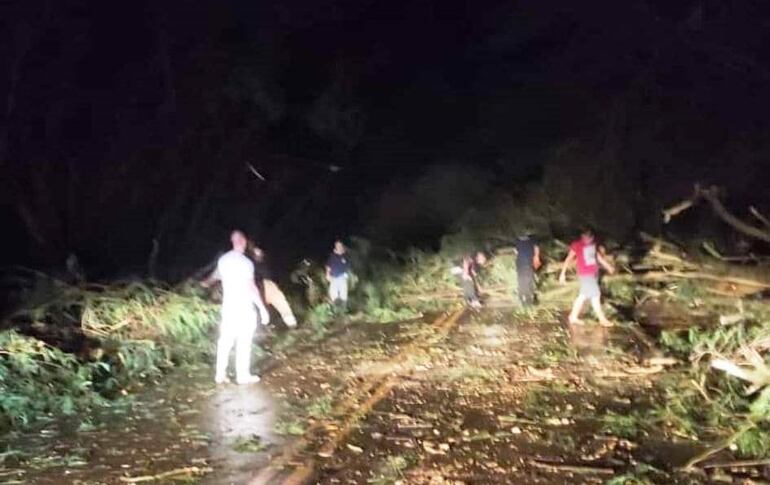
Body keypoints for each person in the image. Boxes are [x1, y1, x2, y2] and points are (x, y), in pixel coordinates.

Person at [202, 230, 270, 384]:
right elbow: (251, 287)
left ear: (233, 241)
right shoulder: (246, 263)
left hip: (229, 308)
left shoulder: (223, 260)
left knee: (225, 341)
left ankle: (220, 374)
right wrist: (262, 308)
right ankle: (242, 375)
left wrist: (203, 284)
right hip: (244, 307)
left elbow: (214, 277)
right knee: (244, 342)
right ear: (243, 242)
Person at [558, 228, 615, 326]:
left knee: (584, 296)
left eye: (588, 238)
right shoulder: (577, 245)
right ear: (582, 236)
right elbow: (568, 259)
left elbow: (597, 257)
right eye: (584, 237)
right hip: (585, 274)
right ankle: (602, 319)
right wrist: (562, 274)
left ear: (592, 237)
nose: (586, 240)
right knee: (595, 295)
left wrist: (608, 266)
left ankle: (573, 316)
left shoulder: (593, 244)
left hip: (594, 274)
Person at [251, 245, 297, 328]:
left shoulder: (265, 261)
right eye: (256, 252)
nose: (258, 253)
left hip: (269, 284)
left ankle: (291, 323)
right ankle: (265, 327)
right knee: (259, 308)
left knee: (281, 302)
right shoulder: (250, 263)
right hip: (257, 286)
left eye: (259, 251)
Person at [514, 232, 541, 305]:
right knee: (524, 280)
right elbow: (516, 251)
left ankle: (528, 298)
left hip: (526, 262)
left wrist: (536, 258)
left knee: (527, 279)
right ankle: (524, 297)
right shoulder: (519, 240)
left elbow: (536, 249)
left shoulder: (532, 239)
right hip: (523, 262)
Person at [325, 240, 350, 313]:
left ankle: (343, 310)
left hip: (342, 277)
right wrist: (327, 274)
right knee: (333, 293)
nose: (338, 247)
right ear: (335, 247)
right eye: (337, 245)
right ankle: (333, 310)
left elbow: (348, 266)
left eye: (340, 245)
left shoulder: (345, 256)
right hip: (334, 278)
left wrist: (346, 274)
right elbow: (328, 266)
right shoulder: (332, 256)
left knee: (343, 293)